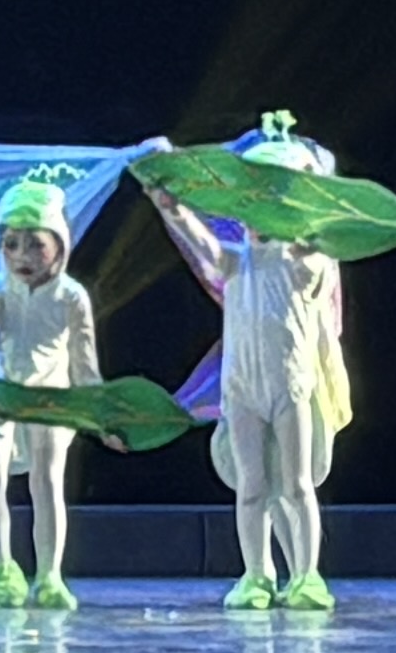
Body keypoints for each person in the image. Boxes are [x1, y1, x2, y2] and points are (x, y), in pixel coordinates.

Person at [148, 115, 349, 613]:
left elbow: (317, 249)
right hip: (242, 390)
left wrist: (307, 215)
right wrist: (173, 208)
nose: (258, 216)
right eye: (250, 204)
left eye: (271, 204)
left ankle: (306, 576)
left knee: (297, 486)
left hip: (291, 388)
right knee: (252, 487)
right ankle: (257, 574)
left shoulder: (306, 263)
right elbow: (203, 246)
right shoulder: (236, 261)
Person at [0, 170, 100, 613]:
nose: (22, 256)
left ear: (59, 244)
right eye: (12, 244)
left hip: (50, 398)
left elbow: (84, 363)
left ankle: (49, 575)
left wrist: (101, 411)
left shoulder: (71, 296)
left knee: (47, 480)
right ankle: (1, 567)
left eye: (35, 244)